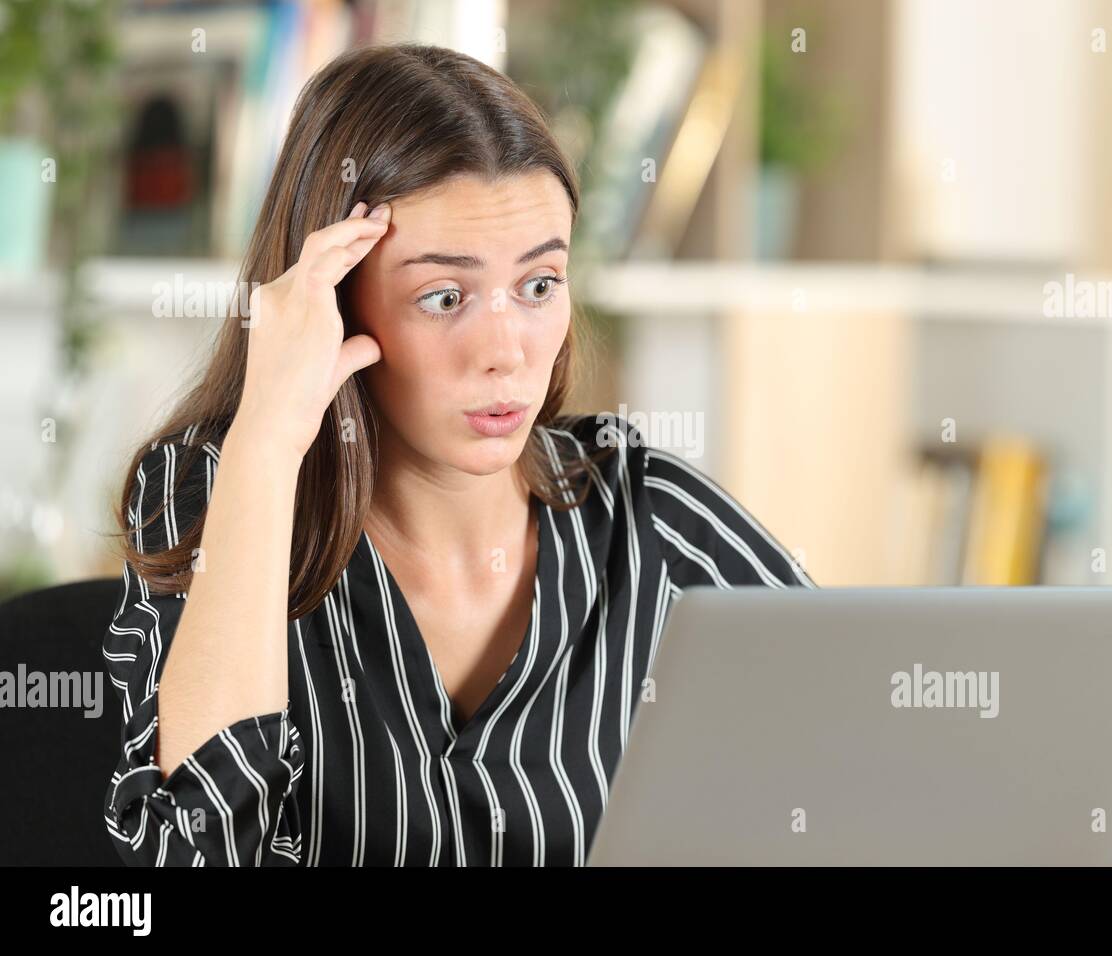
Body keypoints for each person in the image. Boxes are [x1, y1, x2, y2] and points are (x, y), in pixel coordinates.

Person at [102, 43, 815, 867]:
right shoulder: (212, 493)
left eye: (539, 285)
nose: (507, 351)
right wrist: (268, 435)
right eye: (445, 297)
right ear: (333, 304)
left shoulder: (648, 516)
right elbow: (189, 856)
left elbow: (873, 758)